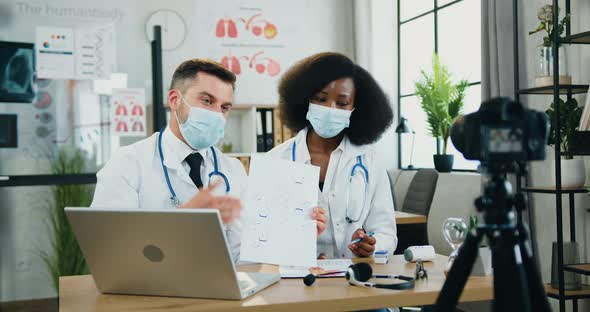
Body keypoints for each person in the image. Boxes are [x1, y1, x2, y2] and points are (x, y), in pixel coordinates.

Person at [91, 59, 245, 261]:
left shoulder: (233, 169)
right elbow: (108, 245)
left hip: (221, 286)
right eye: (207, 101)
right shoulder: (128, 162)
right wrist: (185, 217)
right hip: (150, 287)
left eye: (224, 107)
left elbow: (243, 250)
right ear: (175, 100)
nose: (217, 115)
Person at [268, 52, 397, 259]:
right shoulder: (276, 160)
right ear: (305, 99)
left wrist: (372, 246)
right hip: (297, 280)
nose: (330, 109)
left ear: (356, 108)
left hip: (352, 281)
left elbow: (386, 233)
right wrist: (299, 251)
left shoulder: (369, 162)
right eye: (320, 99)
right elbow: (263, 234)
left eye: (343, 103)